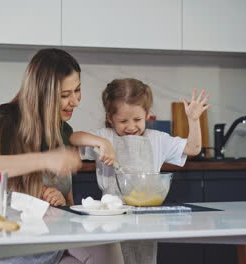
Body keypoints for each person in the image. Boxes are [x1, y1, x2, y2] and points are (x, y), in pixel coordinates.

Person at [0, 48, 123, 264]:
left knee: (106, 245)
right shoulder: (6, 119)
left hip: (51, 241)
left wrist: (62, 200)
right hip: (11, 244)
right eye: (64, 95)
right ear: (41, 95)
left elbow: (66, 201)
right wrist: (46, 159)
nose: (76, 101)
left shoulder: (60, 128)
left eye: (77, 90)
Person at [71, 78, 210, 264]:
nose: (130, 126)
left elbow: (193, 149)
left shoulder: (158, 140)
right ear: (109, 118)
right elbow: (73, 138)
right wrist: (101, 143)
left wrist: (193, 120)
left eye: (137, 119)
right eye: (122, 121)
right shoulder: (104, 136)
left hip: (148, 219)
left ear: (147, 114)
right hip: (111, 219)